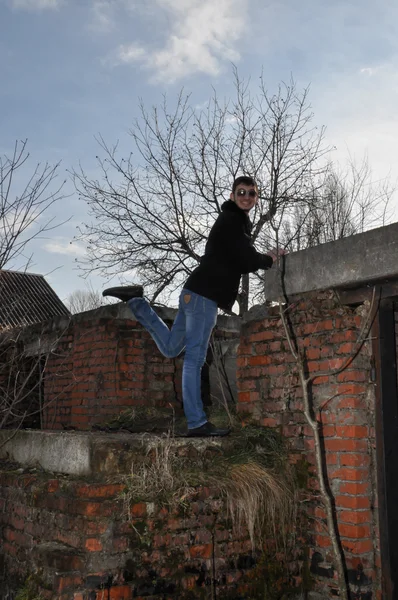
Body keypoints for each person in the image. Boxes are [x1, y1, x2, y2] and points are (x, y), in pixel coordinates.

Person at [103, 175, 280, 437]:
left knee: (172, 348)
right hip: (203, 296)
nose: (246, 197)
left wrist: (262, 258)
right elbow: (245, 259)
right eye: (241, 192)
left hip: (193, 292)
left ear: (256, 198)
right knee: (194, 360)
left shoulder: (234, 221)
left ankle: (137, 301)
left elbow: (238, 258)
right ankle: (197, 423)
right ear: (232, 196)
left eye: (252, 194)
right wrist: (271, 259)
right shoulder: (232, 219)